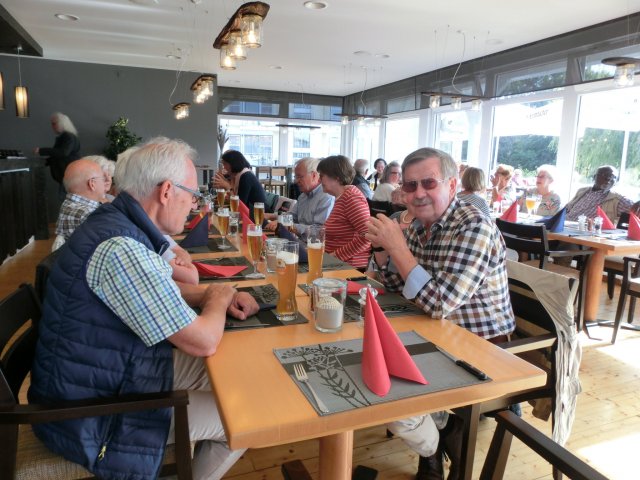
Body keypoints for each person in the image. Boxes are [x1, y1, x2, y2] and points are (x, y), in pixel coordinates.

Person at [28, 137, 259, 480]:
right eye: (192, 194)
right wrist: (218, 298)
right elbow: (203, 341)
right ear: (166, 191)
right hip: (92, 417)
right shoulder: (121, 247)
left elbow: (151, 290)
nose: (194, 203)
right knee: (247, 413)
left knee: (239, 372)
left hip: (103, 374)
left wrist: (209, 294)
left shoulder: (114, 222)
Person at [366, 147, 515, 480]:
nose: (418, 193)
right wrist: (382, 249)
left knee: (384, 389)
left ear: (452, 185)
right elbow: (397, 284)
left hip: (480, 344)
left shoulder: (473, 226)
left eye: (428, 183)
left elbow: (438, 303)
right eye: (410, 185)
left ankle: (433, 444)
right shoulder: (420, 225)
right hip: (433, 331)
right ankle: (443, 434)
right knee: (368, 367)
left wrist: (398, 247)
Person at [317, 155, 371, 269]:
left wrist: (334, 256)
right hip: (335, 264)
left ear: (336, 177)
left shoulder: (351, 197)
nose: (319, 180)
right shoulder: (341, 197)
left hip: (349, 266)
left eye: (321, 176)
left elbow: (368, 236)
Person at [264, 157, 334, 236]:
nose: (296, 181)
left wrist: (289, 226)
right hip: (299, 241)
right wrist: (271, 216)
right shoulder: (303, 196)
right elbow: (292, 217)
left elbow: (319, 231)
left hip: (313, 243)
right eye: (295, 177)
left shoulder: (326, 197)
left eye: (300, 177)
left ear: (314, 175)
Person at [52, 158, 108, 250]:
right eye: (103, 179)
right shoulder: (91, 214)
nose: (106, 183)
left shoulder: (68, 204)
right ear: (92, 184)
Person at [565, 165, 634, 222]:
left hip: (585, 231)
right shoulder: (582, 191)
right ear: (595, 177)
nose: (608, 178)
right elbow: (567, 208)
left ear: (615, 182)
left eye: (613, 177)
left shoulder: (617, 199)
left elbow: (636, 208)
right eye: (605, 175)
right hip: (565, 225)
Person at [213, 150, 267, 216]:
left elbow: (240, 205)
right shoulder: (238, 175)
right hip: (249, 212)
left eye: (225, 164)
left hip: (257, 215)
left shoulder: (246, 176)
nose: (224, 167)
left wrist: (228, 187)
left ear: (232, 164)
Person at [35, 112, 81, 188]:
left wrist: (41, 150)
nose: (52, 126)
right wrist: (44, 161)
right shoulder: (66, 136)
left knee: (66, 194)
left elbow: (63, 153)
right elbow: (58, 155)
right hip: (68, 175)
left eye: (54, 124)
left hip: (69, 175)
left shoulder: (68, 137)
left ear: (61, 124)